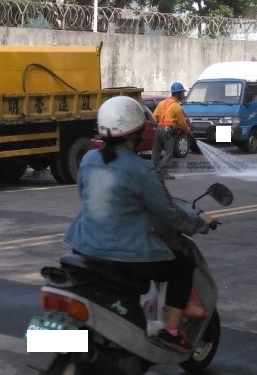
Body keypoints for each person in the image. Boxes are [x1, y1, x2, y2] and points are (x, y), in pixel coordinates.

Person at [63, 96, 217, 353]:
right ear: (137, 132)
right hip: (126, 257)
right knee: (182, 267)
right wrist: (198, 224)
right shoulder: (142, 170)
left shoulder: (89, 159)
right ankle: (170, 332)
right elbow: (169, 213)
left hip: (82, 247)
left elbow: (86, 195)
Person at [151, 82, 192, 180]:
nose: (183, 95)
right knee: (168, 152)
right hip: (168, 130)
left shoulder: (162, 103)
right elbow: (182, 123)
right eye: (182, 93)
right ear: (178, 94)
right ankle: (163, 172)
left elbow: (154, 116)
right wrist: (188, 132)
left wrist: (161, 123)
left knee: (156, 151)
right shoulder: (177, 107)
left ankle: (153, 171)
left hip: (159, 129)